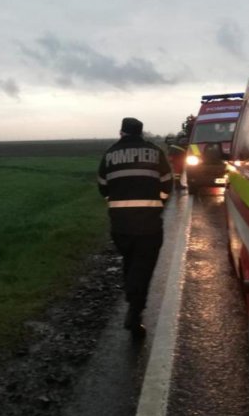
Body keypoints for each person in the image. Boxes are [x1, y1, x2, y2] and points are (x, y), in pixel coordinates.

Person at [97, 117, 173, 337]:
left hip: (120, 225)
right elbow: (168, 183)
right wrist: (158, 202)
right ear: (141, 133)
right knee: (143, 267)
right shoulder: (155, 152)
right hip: (149, 224)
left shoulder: (110, 154)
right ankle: (135, 310)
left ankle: (132, 297)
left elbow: (103, 187)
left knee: (130, 263)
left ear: (121, 132)